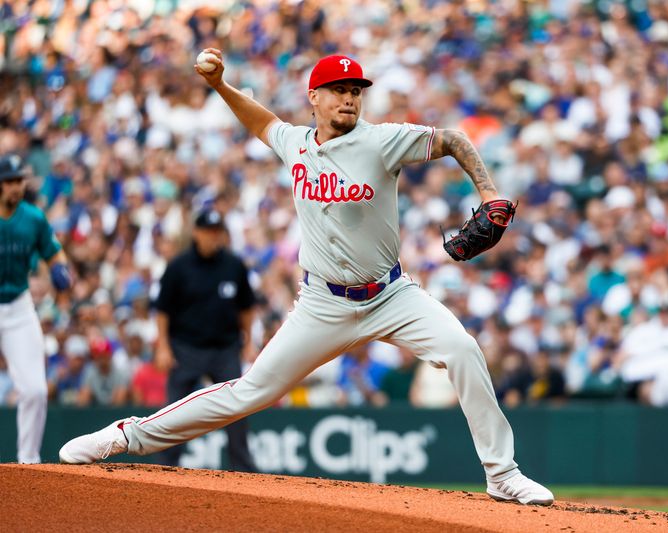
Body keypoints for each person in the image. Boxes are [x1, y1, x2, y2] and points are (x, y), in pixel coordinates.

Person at [59, 52, 554, 506]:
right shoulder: (295, 141)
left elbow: (452, 138)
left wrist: (488, 191)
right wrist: (219, 85)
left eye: (356, 90)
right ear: (313, 98)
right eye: (338, 89)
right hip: (323, 303)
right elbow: (262, 122)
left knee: (462, 349)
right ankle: (126, 436)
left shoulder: (380, 141)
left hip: (391, 294)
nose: (349, 98)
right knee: (252, 390)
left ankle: (501, 473)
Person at [151, 208, 258, 472]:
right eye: (208, 231)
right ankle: (165, 468)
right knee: (174, 411)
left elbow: (246, 307)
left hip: (224, 348)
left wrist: (247, 342)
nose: (213, 236)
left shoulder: (234, 265)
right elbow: (163, 310)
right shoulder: (178, 266)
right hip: (186, 348)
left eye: (217, 231)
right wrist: (163, 346)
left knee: (237, 409)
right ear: (196, 233)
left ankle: (243, 470)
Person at [0, 153, 72, 463]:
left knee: (35, 391)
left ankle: (28, 462)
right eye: (10, 181)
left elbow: (55, 253)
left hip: (18, 305)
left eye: (19, 180)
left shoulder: (33, 218)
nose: (16, 187)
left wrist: (60, 269)